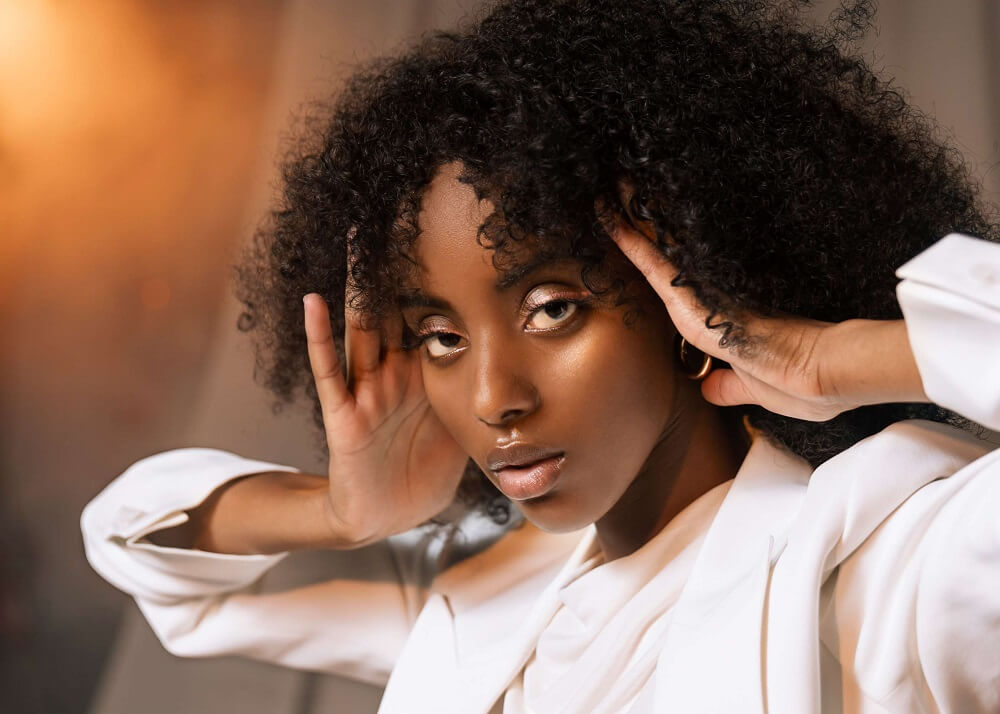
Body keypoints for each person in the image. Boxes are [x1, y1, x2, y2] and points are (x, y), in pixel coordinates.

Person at [82, 0, 1000, 711]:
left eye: (553, 309)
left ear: (696, 293)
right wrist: (338, 512)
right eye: (442, 336)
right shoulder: (489, 597)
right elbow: (148, 554)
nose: (492, 397)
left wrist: (838, 360)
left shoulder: (884, 568)